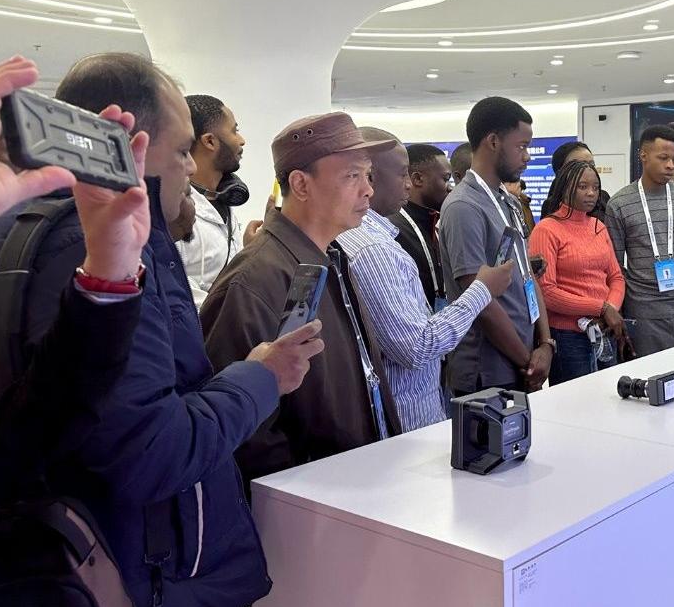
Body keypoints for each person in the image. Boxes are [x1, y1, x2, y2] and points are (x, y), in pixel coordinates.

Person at [0, 53, 322, 607]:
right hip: (116, 575)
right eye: (182, 151)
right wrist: (262, 378)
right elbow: (151, 449)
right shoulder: (94, 242)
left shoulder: (12, 226)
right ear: (130, 142)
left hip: (56, 564)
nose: (192, 169)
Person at [201, 112, 401, 484]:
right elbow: (241, 426)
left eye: (368, 175)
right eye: (352, 176)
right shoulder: (255, 280)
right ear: (301, 184)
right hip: (311, 500)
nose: (368, 190)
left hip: (356, 485)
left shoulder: (331, 258)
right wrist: (302, 494)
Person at [340, 128, 514, 431]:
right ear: (370, 178)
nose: (408, 184)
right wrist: (482, 290)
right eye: (402, 174)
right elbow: (417, 347)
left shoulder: (372, 238)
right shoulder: (372, 249)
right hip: (408, 420)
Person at [439, 97, 554, 394]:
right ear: (493, 142)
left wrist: (546, 343)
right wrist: (527, 361)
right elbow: (480, 301)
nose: (527, 157)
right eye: (521, 147)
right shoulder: (464, 206)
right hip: (488, 372)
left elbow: (528, 277)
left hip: (523, 362)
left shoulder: (508, 201)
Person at [606, 125, 674, 356]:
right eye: (663, 158)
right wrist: (624, 314)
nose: (671, 165)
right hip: (644, 317)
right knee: (651, 378)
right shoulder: (619, 204)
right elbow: (614, 269)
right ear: (643, 155)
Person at [529, 159, 627, 383]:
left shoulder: (598, 226)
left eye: (595, 187)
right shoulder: (546, 229)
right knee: (575, 401)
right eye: (583, 187)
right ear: (565, 188)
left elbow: (616, 277)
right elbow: (546, 292)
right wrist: (601, 308)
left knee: (608, 395)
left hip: (604, 329)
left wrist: (610, 310)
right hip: (568, 336)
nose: (591, 193)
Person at [177, 94, 250, 307]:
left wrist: (251, 251)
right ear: (210, 141)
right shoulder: (175, 215)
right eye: (234, 130)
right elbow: (181, 297)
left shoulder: (222, 198)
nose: (241, 140)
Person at [391, 143, 452, 312]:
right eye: (445, 179)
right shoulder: (394, 229)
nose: (450, 187)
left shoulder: (435, 219)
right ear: (418, 179)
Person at [544, 139, 609, 219]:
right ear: (561, 172)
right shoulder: (551, 205)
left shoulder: (603, 197)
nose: (588, 168)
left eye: (591, 164)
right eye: (578, 165)